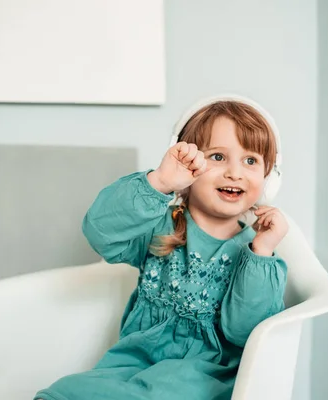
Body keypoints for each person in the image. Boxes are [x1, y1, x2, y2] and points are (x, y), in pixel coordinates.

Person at [35, 95, 289, 400]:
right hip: (133, 365)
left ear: (269, 179)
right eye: (218, 157)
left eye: (250, 161)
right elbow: (100, 230)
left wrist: (261, 252)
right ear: (187, 165)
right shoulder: (159, 224)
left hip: (204, 376)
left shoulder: (254, 252)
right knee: (62, 393)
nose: (234, 172)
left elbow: (247, 333)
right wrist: (160, 182)